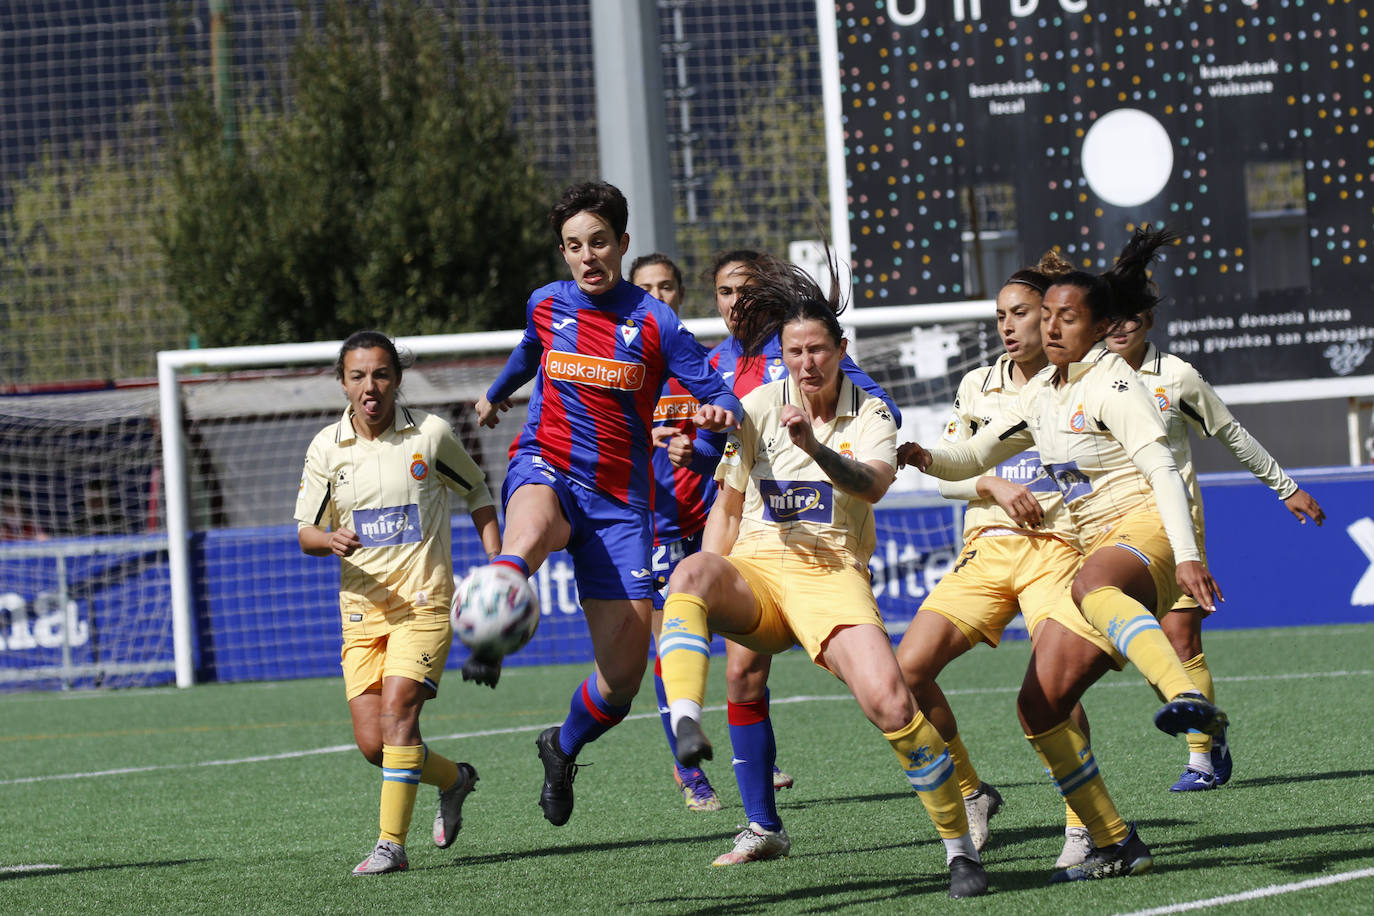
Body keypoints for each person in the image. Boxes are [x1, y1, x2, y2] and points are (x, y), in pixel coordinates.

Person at [898, 226, 1229, 882]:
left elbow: (1163, 470)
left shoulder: (1113, 385)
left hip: (1141, 528)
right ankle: (1114, 841)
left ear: (1101, 328)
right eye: (1044, 314)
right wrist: (924, 456)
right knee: (1039, 704)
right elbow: (976, 453)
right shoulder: (1041, 393)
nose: (1048, 327)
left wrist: (1189, 554)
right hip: (1085, 544)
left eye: (1063, 317)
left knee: (1093, 585)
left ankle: (1185, 697)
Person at [657, 253, 987, 899]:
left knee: (891, 703)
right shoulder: (757, 404)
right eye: (793, 351)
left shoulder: (873, 413)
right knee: (691, 575)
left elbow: (873, 485)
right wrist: (713, 571)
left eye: (817, 350)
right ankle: (688, 726)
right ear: (780, 354)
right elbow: (728, 506)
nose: (806, 363)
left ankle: (960, 849)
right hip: (756, 567)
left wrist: (813, 447)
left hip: (830, 572)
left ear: (841, 350)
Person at [472, 182, 741, 828]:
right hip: (547, 464)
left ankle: (561, 747)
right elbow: (529, 351)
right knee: (528, 532)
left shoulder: (656, 322)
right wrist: (497, 392)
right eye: (573, 246)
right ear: (563, 252)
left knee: (620, 683)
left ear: (621, 243)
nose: (586, 256)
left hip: (621, 504)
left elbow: (722, 397)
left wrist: (716, 417)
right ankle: (488, 629)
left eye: (598, 242)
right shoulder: (546, 303)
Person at [894, 250, 1101, 866]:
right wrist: (992, 484)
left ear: (1051, 318)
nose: (1008, 326)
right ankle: (971, 792)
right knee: (907, 671)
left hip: (1056, 548)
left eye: (1021, 313)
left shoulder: (1082, 383)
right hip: (986, 550)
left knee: (1055, 686)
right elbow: (948, 477)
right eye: (1001, 317)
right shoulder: (976, 386)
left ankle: (1083, 822)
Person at [295, 330, 502, 876]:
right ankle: (456, 779)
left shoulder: (429, 435)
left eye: (381, 374)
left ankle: (391, 845)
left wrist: (499, 565)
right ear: (343, 383)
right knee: (374, 745)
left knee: (399, 718)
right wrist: (329, 539)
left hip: (424, 604)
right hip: (362, 612)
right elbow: (305, 533)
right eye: (358, 376)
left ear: (397, 379)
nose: (371, 386)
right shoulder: (326, 448)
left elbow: (479, 492)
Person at [1105, 307, 1325, 791]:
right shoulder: (1088, 375)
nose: (1118, 327)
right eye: (1109, 318)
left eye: (1130, 317)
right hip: (1107, 531)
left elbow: (1231, 432)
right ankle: (1208, 723)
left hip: (1174, 528)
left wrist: (1285, 487)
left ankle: (1201, 759)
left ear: (1149, 321)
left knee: (1182, 642)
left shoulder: (1176, 376)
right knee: (1148, 653)